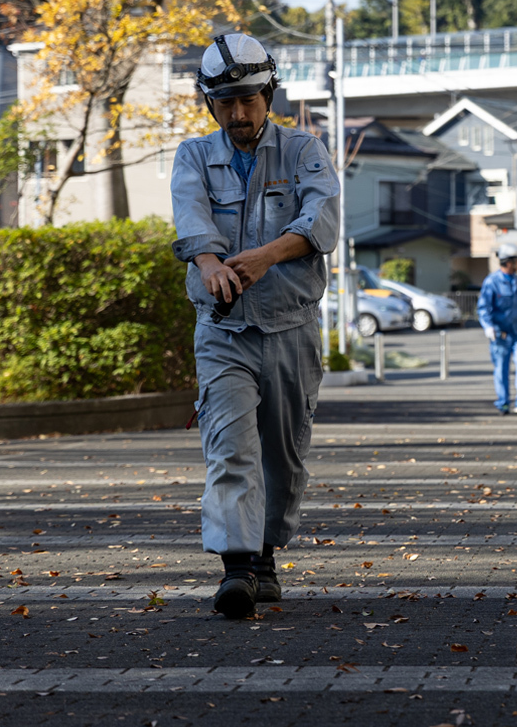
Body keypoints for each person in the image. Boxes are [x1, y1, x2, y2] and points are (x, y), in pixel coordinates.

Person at [171, 33, 339, 618]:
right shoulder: (193, 155)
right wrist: (211, 262)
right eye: (225, 103)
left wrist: (267, 255)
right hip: (223, 331)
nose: (238, 114)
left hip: (292, 325)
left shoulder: (305, 151)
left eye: (248, 99)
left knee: (283, 453)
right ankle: (237, 570)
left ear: (269, 94)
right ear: (209, 105)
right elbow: (190, 218)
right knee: (229, 448)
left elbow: (322, 220)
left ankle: (266, 556)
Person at [479, 243, 517, 414]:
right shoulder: (492, 282)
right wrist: (488, 327)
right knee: (501, 369)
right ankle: (503, 402)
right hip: (501, 334)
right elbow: (483, 308)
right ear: (508, 262)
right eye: (516, 260)